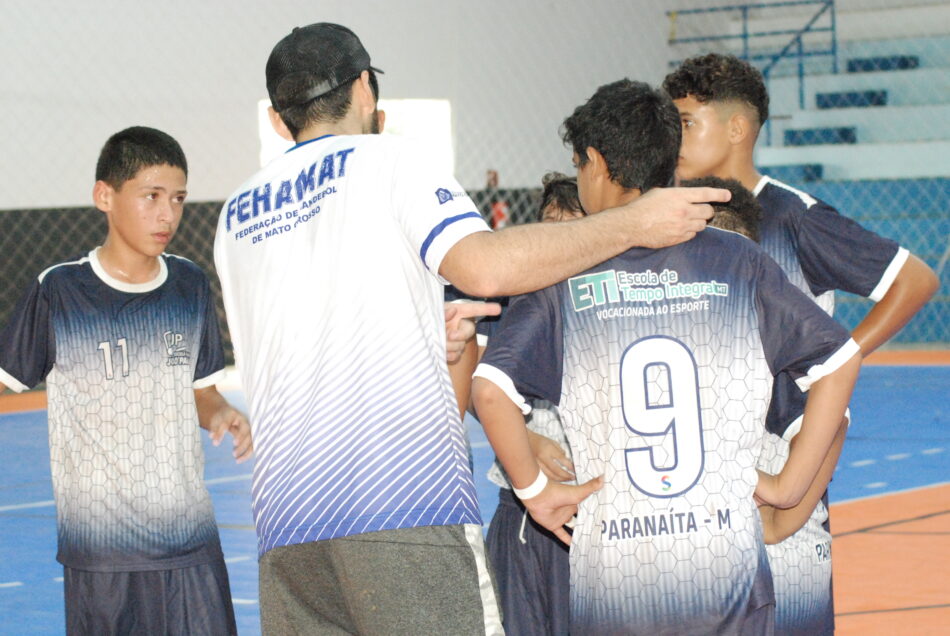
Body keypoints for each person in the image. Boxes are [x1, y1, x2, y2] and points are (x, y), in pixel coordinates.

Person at [213, 22, 729, 635]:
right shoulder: (389, 160)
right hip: (402, 508)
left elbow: (301, 336)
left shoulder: (236, 214)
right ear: (365, 88)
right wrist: (633, 223)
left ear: (278, 119)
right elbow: (484, 268)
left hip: (286, 524)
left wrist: (418, 334)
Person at [471, 79, 862, 635]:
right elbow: (840, 360)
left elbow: (489, 392)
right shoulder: (737, 260)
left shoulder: (564, 275)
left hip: (616, 581)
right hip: (726, 570)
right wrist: (787, 487)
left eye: (578, 166)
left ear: (596, 164)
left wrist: (535, 492)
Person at [663, 53, 939, 635]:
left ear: (738, 128)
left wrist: (837, 361)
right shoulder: (668, 215)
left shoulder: (793, 218)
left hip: (781, 457)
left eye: (687, 122)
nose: (674, 135)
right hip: (692, 462)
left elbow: (914, 280)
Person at [0, 126, 251, 635]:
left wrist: (221, 412)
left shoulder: (189, 284)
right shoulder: (61, 290)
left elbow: (201, 392)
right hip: (102, 552)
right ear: (105, 196)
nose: (168, 215)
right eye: (151, 196)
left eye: (178, 199)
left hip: (189, 539)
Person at [479, 172, 585, 636]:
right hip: (520, 507)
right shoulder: (514, 295)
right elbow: (478, 387)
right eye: (550, 226)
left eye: (573, 226)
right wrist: (524, 438)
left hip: (592, 510)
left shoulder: (614, 300)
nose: (558, 241)